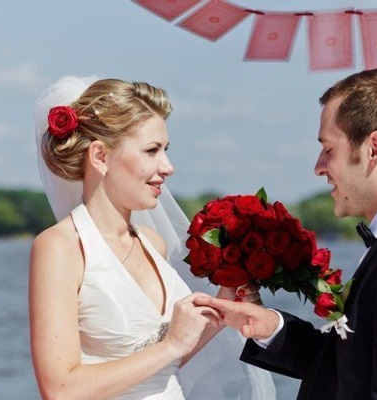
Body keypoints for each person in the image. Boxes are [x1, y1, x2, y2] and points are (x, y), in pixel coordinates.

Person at [195, 68, 377, 399]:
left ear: (373, 149)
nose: (319, 166)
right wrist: (270, 328)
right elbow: (352, 368)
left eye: (329, 148)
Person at [29, 76, 275, 400]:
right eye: (151, 151)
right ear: (101, 157)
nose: (168, 167)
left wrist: (224, 301)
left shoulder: (151, 242)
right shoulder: (60, 248)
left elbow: (163, 365)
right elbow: (59, 389)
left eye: (166, 150)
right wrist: (172, 344)